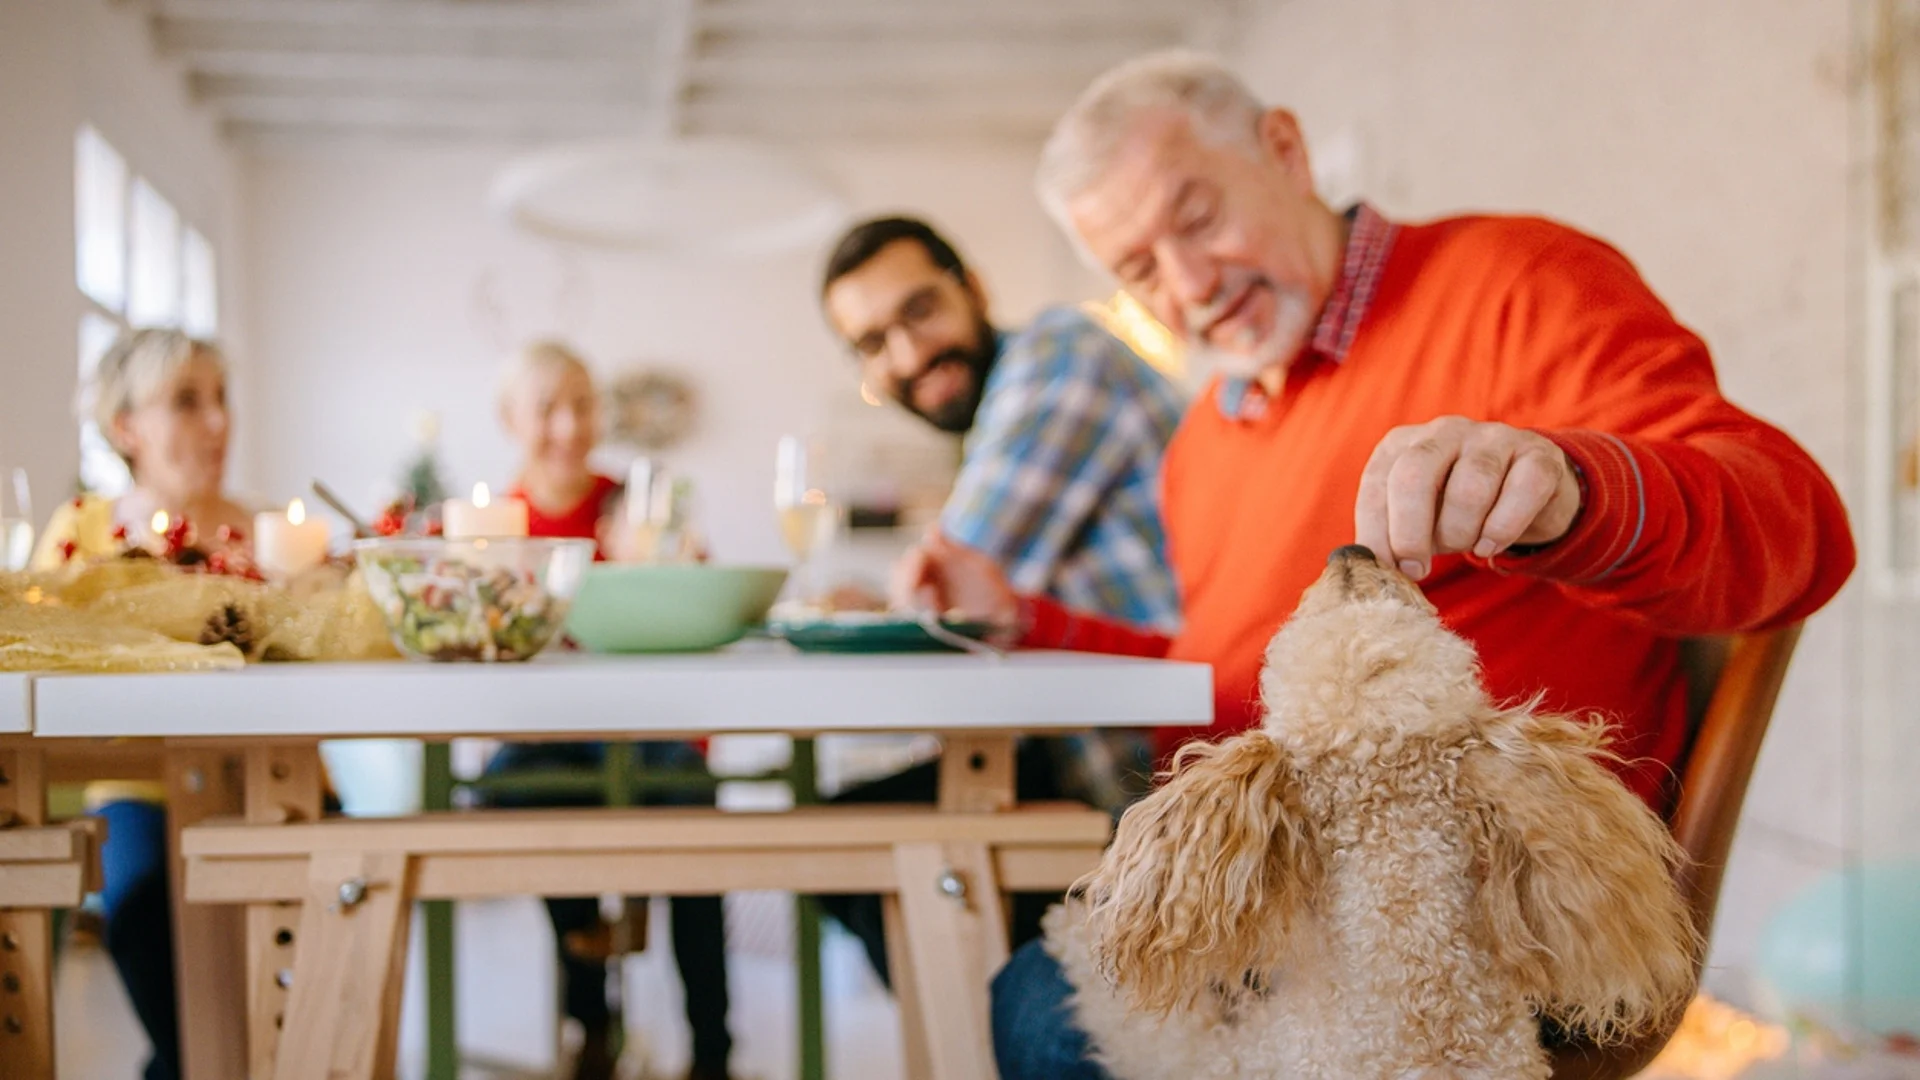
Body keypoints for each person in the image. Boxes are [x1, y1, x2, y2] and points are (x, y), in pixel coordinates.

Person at [887, 52, 1857, 1078]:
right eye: (1138, 270)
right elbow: (1233, 684)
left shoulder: (1516, 285)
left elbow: (1799, 530)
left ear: (1285, 151)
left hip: (1501, 916)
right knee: (1018, 950)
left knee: (1042, 1006)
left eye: (1199, 217)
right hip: (1289, 906)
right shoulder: (1201, 451)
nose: (1189, 284)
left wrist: (1571, 486)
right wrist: (1030, 621)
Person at [813, 217, 1187, 979]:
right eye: (874, 343)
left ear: (972, 286)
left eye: (919, 311)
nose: (910, 354)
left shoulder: (1062, 356)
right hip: (1117, 764)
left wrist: (894, 601)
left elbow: (947, 587)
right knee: (853, 843)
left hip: (1188, 782)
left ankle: (999, 1029)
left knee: (856, 846)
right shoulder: (1001, 406)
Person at [476, 341, 734, 1080]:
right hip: (544, 736)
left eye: (582, 404)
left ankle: (711, 1050)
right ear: (510, 420)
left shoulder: (640, 506)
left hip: (647, 729)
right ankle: (589, 1004)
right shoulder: (490, 527)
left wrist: (659, 571)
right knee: (515, 794)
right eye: (547, 408)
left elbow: (700, 611)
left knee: (692, 807)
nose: (568, 425)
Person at [33, 328, 254, 1080]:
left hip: (267, 779)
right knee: (144, 924)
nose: (219, 422)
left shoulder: (265, 538)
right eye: (188, 402)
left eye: (220, 399)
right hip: (136, 785)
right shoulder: (82, 536)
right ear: (126, 426)